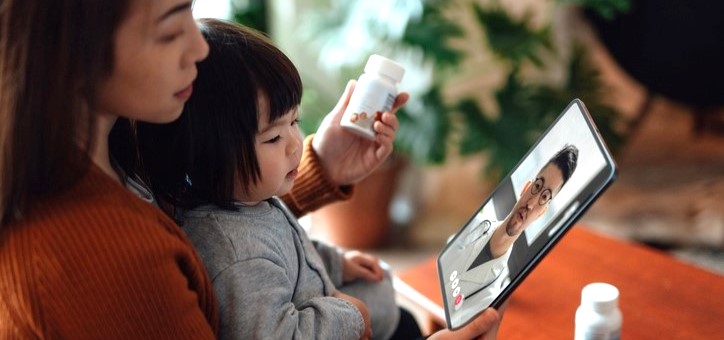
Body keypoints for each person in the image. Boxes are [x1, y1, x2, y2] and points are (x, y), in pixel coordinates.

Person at [0, 0, 500, 338]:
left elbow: (224, 220)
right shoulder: (106, 264)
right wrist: (353, 316)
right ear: (73, 50)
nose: (199, 50)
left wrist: (319, 166)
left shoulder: (119, 147)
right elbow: (229, 257)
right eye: (171, 30)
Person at [133, 19, 418, 340]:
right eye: (272, 138)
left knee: (394, 303)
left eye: (294, 121)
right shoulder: (236, 255)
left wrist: (335, 263)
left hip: (331, 309)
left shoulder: (249, 201)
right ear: (208, 154)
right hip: (335, 325)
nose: (296, 143)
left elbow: (288, 247)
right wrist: (351, 315)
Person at [451, 145, 579, 314]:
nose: (531, 203)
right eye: (537, 186)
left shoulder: (495, 293)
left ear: (542, 213)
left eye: (545, 197)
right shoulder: (469, 229)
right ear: (526, 188)